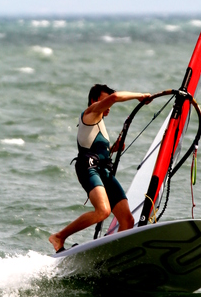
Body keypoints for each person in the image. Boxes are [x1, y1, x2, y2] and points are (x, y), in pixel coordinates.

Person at [49, 84, 151, 252]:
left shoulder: (99, 124)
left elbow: (97, 150)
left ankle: (112, 253)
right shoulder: (89, 113)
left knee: (127, 220)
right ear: (94, 101)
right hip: (87, 168)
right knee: (103, 211)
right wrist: (140, 95)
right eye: (105, 101)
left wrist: (113, 149)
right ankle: (59, 237)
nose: (109, 106)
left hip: (102, 170)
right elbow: (115, 97)